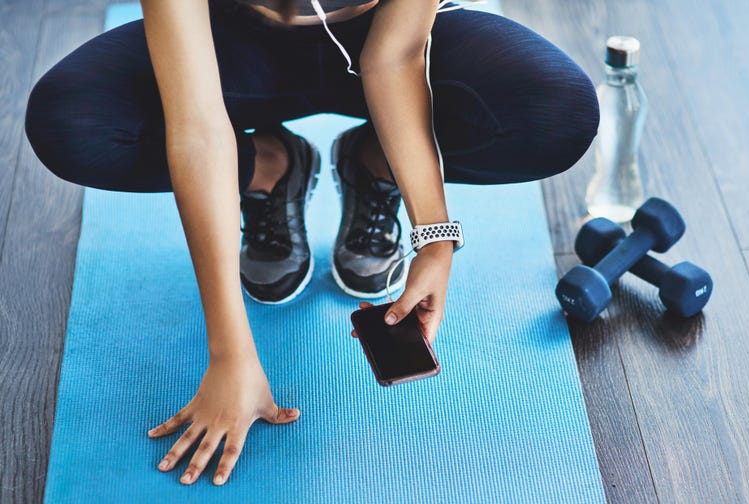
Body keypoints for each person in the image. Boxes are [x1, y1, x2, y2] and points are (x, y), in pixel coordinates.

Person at [24, 0, 598, 486]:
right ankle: (267, 169)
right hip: (232, 47)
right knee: (72, 122)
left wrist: (435, 237)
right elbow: (197, 122)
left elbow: (394, 56)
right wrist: (229, 352)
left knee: (555, 112)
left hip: (384, 38)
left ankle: (377, 163)